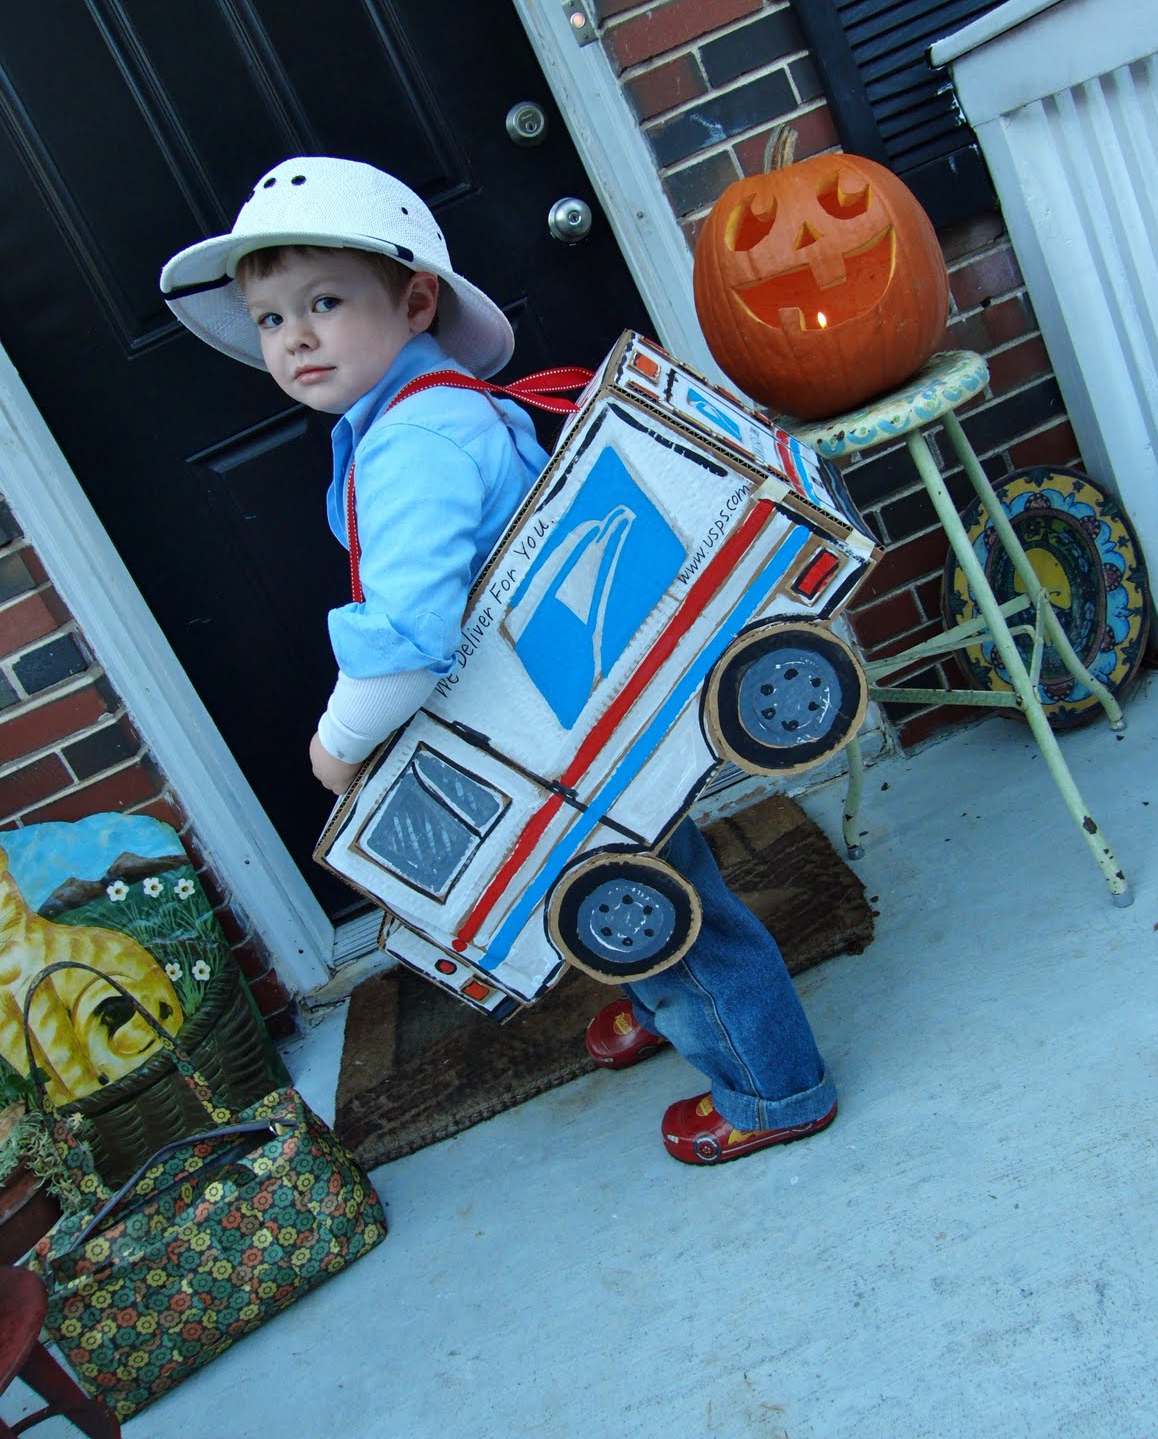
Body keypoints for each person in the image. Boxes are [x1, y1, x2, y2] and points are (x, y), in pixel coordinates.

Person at [160, 155, 837, 1165]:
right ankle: (669, 1004)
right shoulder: (431, 407)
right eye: (270, 319)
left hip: (550, 722)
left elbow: (409, 640)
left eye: (326, 301)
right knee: (628, 864)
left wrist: (340, 747)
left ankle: (774, 1088)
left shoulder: (412, 447)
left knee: (656, 895)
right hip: (564, 693)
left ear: (416, 299)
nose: (295, 336)